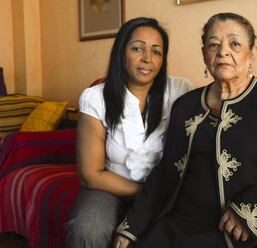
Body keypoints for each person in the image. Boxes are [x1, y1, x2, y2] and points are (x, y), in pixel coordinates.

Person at [113, 13, 257, 248]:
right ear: (204, 55)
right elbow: (165, 174)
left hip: (229, 232)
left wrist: (251, 208)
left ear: (251, 54)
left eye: (234, 44)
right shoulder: (185, 105)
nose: (222, 51)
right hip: (175, 225)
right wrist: (131, 227)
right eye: (213, 45)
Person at [65, 17, 191, 248]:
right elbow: (90, 174)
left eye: (157, 51)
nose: (147, 59)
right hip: (110, 187)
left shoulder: (180, 90)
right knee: (87, 229)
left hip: (166, 189)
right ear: (121, 53)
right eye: (137, 48)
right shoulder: (95, 98)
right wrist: (147, 196)